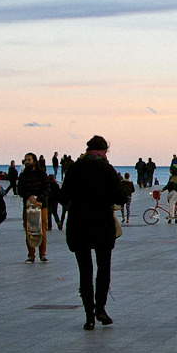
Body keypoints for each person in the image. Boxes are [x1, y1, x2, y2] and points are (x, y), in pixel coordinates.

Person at [59, 135, 129, 330]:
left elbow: (63, 196)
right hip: (102, 225)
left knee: (85, 271)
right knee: (103, 268)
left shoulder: (74, 168)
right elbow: (120, 197)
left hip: (79, 224)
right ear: (105, 150)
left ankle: (89, 315)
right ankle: (101, 309)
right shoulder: (107, 169)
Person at [19, 152, 50, 263]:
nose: (27, 162)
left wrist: (38, 198)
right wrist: (29, 197)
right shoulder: (23, 175)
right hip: (28, 206)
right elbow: (20, 190)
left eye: (29, 160)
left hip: (41, 205)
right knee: (29, 230)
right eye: (25, 160)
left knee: (42, 230)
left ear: (34, 161)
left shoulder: (42, 174)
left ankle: (43, 254)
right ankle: (31, 255)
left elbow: (46, 189)